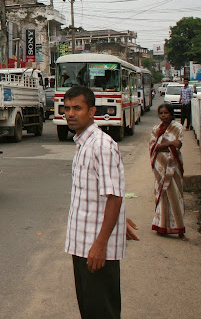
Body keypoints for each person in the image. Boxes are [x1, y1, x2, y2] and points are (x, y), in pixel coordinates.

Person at [63, 85, 137, 319]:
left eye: (77, 108)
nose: (71, 114)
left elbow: (115, 196)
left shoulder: (101, 146)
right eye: (67, 108)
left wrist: (101, 244)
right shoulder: (83, 143)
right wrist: (120, 220)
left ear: (92, 111)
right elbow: (101, 194)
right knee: (90, 310)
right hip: (82, 244)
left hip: (95, 249)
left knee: (102, 312)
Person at [149, 103, 187, 240]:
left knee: (175, 195)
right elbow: (154, 146)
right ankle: (161, 227)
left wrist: (164, 146)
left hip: (173, 166)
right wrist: (169, 144)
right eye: (161, 113)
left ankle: (180, 230)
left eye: (166, 113)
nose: (163, 115)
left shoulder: (177, 128)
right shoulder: (156, 129)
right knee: (161, 195)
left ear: (171, 114)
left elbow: (178, 145)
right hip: (160, 167)